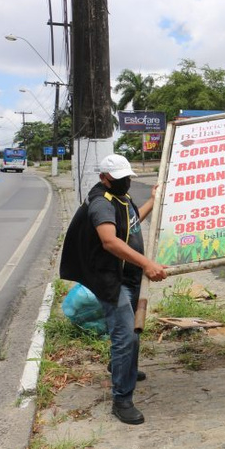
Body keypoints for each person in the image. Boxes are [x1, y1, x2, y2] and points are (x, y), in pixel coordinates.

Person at [60, 154, 167, 425]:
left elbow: (133, 222)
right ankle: (121, 400)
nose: (125, 182)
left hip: (128, 275)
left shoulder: (122, 197)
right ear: (104, 178)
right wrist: (147, 264)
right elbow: (109, 241)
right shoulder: (101, 203)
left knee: (131, 332)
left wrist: (153, 200)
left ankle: (122, 367)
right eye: (119, 179)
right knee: (125, 335)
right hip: (110, 279)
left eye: (127, 177)